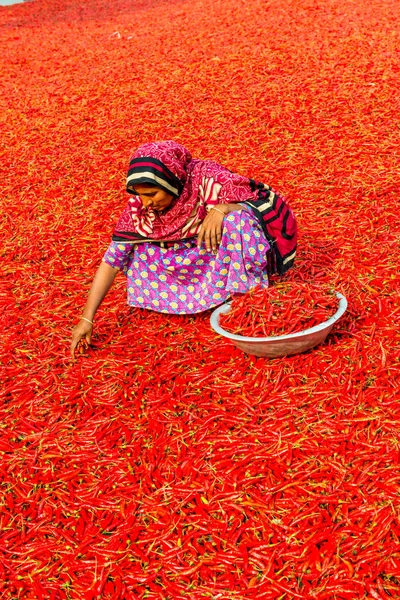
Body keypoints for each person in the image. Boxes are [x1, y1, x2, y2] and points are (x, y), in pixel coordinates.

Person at [70, 140, 297, 357]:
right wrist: (87, 318)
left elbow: (267, 202)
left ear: (171, 182)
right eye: (140, 195)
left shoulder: (207, 179)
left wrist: (223, 209)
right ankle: (188, 300)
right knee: (132, 246)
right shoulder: (140, 209)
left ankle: (246, 300)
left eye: (151, 194)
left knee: (238, 221)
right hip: (177, 269)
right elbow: (112, 261)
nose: (146, 202)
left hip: (210, 256)